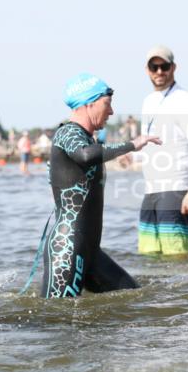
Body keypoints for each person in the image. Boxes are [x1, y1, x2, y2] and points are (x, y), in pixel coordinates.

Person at [41, 73, 160, 298]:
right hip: (67, 248)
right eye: (108, 104)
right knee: (55, 321)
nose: (112, 112)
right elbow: (85, 156)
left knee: (134, 298)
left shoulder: (86, 138)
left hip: (89, 250)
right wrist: (132, 144)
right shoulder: (68, 132)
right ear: (89, 104)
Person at [118, 45, 188, 256]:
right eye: (154, 67)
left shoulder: (184, 100)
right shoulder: (148, 101)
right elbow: (149, 146)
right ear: (147, 70)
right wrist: (132, 156)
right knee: (148, 257)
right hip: (150, 191)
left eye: (164, 66)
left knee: (177, 258)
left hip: (176, 191)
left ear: (173, 67)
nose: (159, 72)